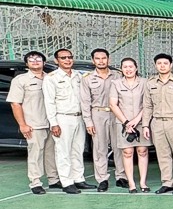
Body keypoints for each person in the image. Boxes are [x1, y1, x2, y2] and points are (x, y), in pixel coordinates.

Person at [43, 49, 94, 194]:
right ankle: (66, 182)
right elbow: (49, 102)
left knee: (77, 150)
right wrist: (53, 123)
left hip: (79, 117)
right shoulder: (51, 78)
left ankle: (78, 179)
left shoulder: (78, 76)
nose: (67, 60)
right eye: (63, 58)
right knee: (63, 151)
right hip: (62, 117)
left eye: (69, 57)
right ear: (56, 61)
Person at [6, 51, 53, 194]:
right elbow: (15, 104)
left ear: (44, 62)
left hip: (52, 123)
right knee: (35, 153)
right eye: (31, 60)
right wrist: (23, 124)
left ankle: (54, 179)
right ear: (27, 64)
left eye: (38, 59)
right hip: (34, 124)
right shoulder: (20, 80)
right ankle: (35, 182)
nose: (35, 61)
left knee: (52, 153)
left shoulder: (51, 78)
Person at [142, 53, 173, 194]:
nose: (162, 66)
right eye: (159, 63)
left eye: (165, 63)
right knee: (162, 154)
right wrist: (145, 125)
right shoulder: (150, 83)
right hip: (157, 122)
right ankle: (167, 181)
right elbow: (147, 106)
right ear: (155, 65)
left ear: (171, 65)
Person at [80, 48, 125, 191]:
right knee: (100, 148)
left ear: (108, 59)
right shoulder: (87, 78)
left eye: (103, 58)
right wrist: (88, 121)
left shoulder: (118, 75)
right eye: (97, 58)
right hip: (97, 114)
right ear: (93, 60)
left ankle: (121, 176)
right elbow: (85, 102)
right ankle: (102, 179)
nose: (101, 61)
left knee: (120, 146)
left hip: (116, 113)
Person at [110, 58, 151, 193]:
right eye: (125, 67)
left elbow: (148, 103)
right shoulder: (116, 83)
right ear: (121, 69)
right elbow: (113, 104)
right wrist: (126, 122)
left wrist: (137, 119)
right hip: (124, 124)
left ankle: (143, 182)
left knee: (142, 151)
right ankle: (131, 183)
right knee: (127, 152)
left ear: (136, 68)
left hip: (141, 122)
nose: (128, 69)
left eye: (131, 66)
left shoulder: (145, 82)